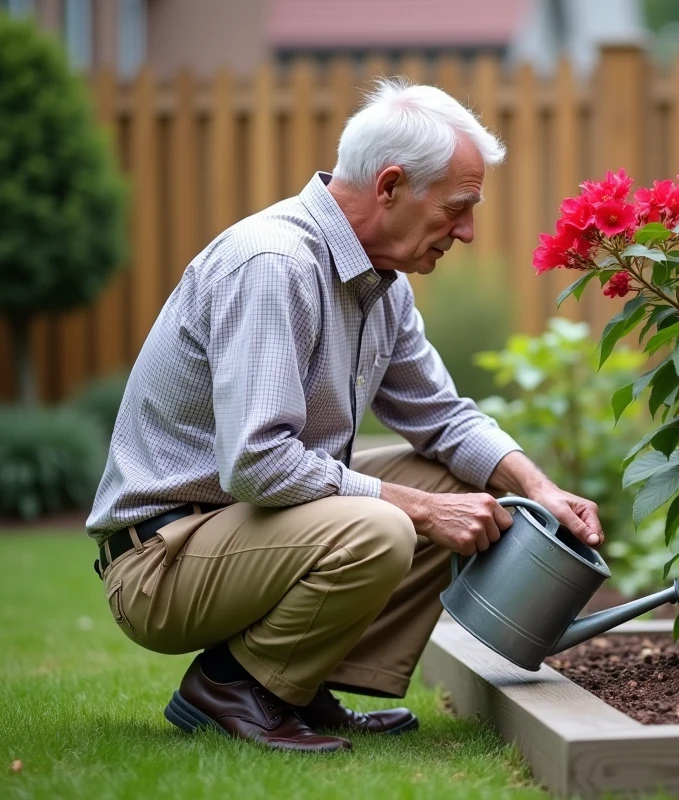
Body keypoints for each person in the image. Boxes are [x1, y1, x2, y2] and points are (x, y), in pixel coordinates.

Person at [85, 79, 604, 754]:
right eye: (458, 208)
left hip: (237, 530)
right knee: (386, 524)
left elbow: (444, 418)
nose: (469, 232)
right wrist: (416, 510)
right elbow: (258, 463)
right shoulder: (274, 264)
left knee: (456, 485)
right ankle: (230, 688)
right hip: (164, 560)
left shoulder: (381, 285)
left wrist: (537, 488)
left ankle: (295, 683)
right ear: (390, 186)